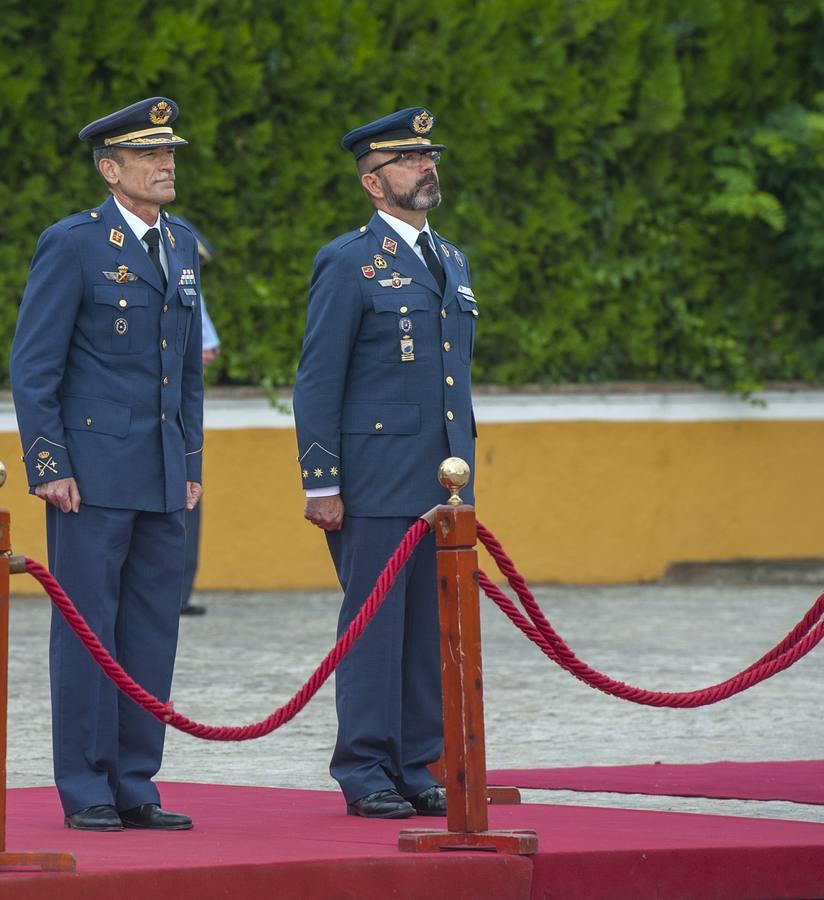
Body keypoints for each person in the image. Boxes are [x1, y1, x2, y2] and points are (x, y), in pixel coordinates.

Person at [10, 97, 204, 832]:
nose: (166, 165)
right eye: (151, 156)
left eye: (170, 154)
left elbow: (186, 371)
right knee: (90, 629)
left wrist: (189, 460)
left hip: (160, 472)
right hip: (88, 475)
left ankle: (135, 781)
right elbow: (34, 366)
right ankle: (86, 785)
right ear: (109, 168)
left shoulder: (181, 244)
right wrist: (49, 462)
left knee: (153, 630)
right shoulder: (73, 243)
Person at [292, 107, 477, 819]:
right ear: (374, 182)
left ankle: (414, 762)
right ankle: (365, 767)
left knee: (429, 630)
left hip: (443, 479)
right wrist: (321, 481)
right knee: (373, 629)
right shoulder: (349, 261)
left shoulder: (451, 258)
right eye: (406, 160)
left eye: (429, 156)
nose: (425, 167)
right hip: (372, 480)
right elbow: (318, 378)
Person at [165, 215, 219, 617]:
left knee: (187, 496)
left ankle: (179, 592)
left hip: (178, 410)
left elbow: (205, 344)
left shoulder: (186, 282)